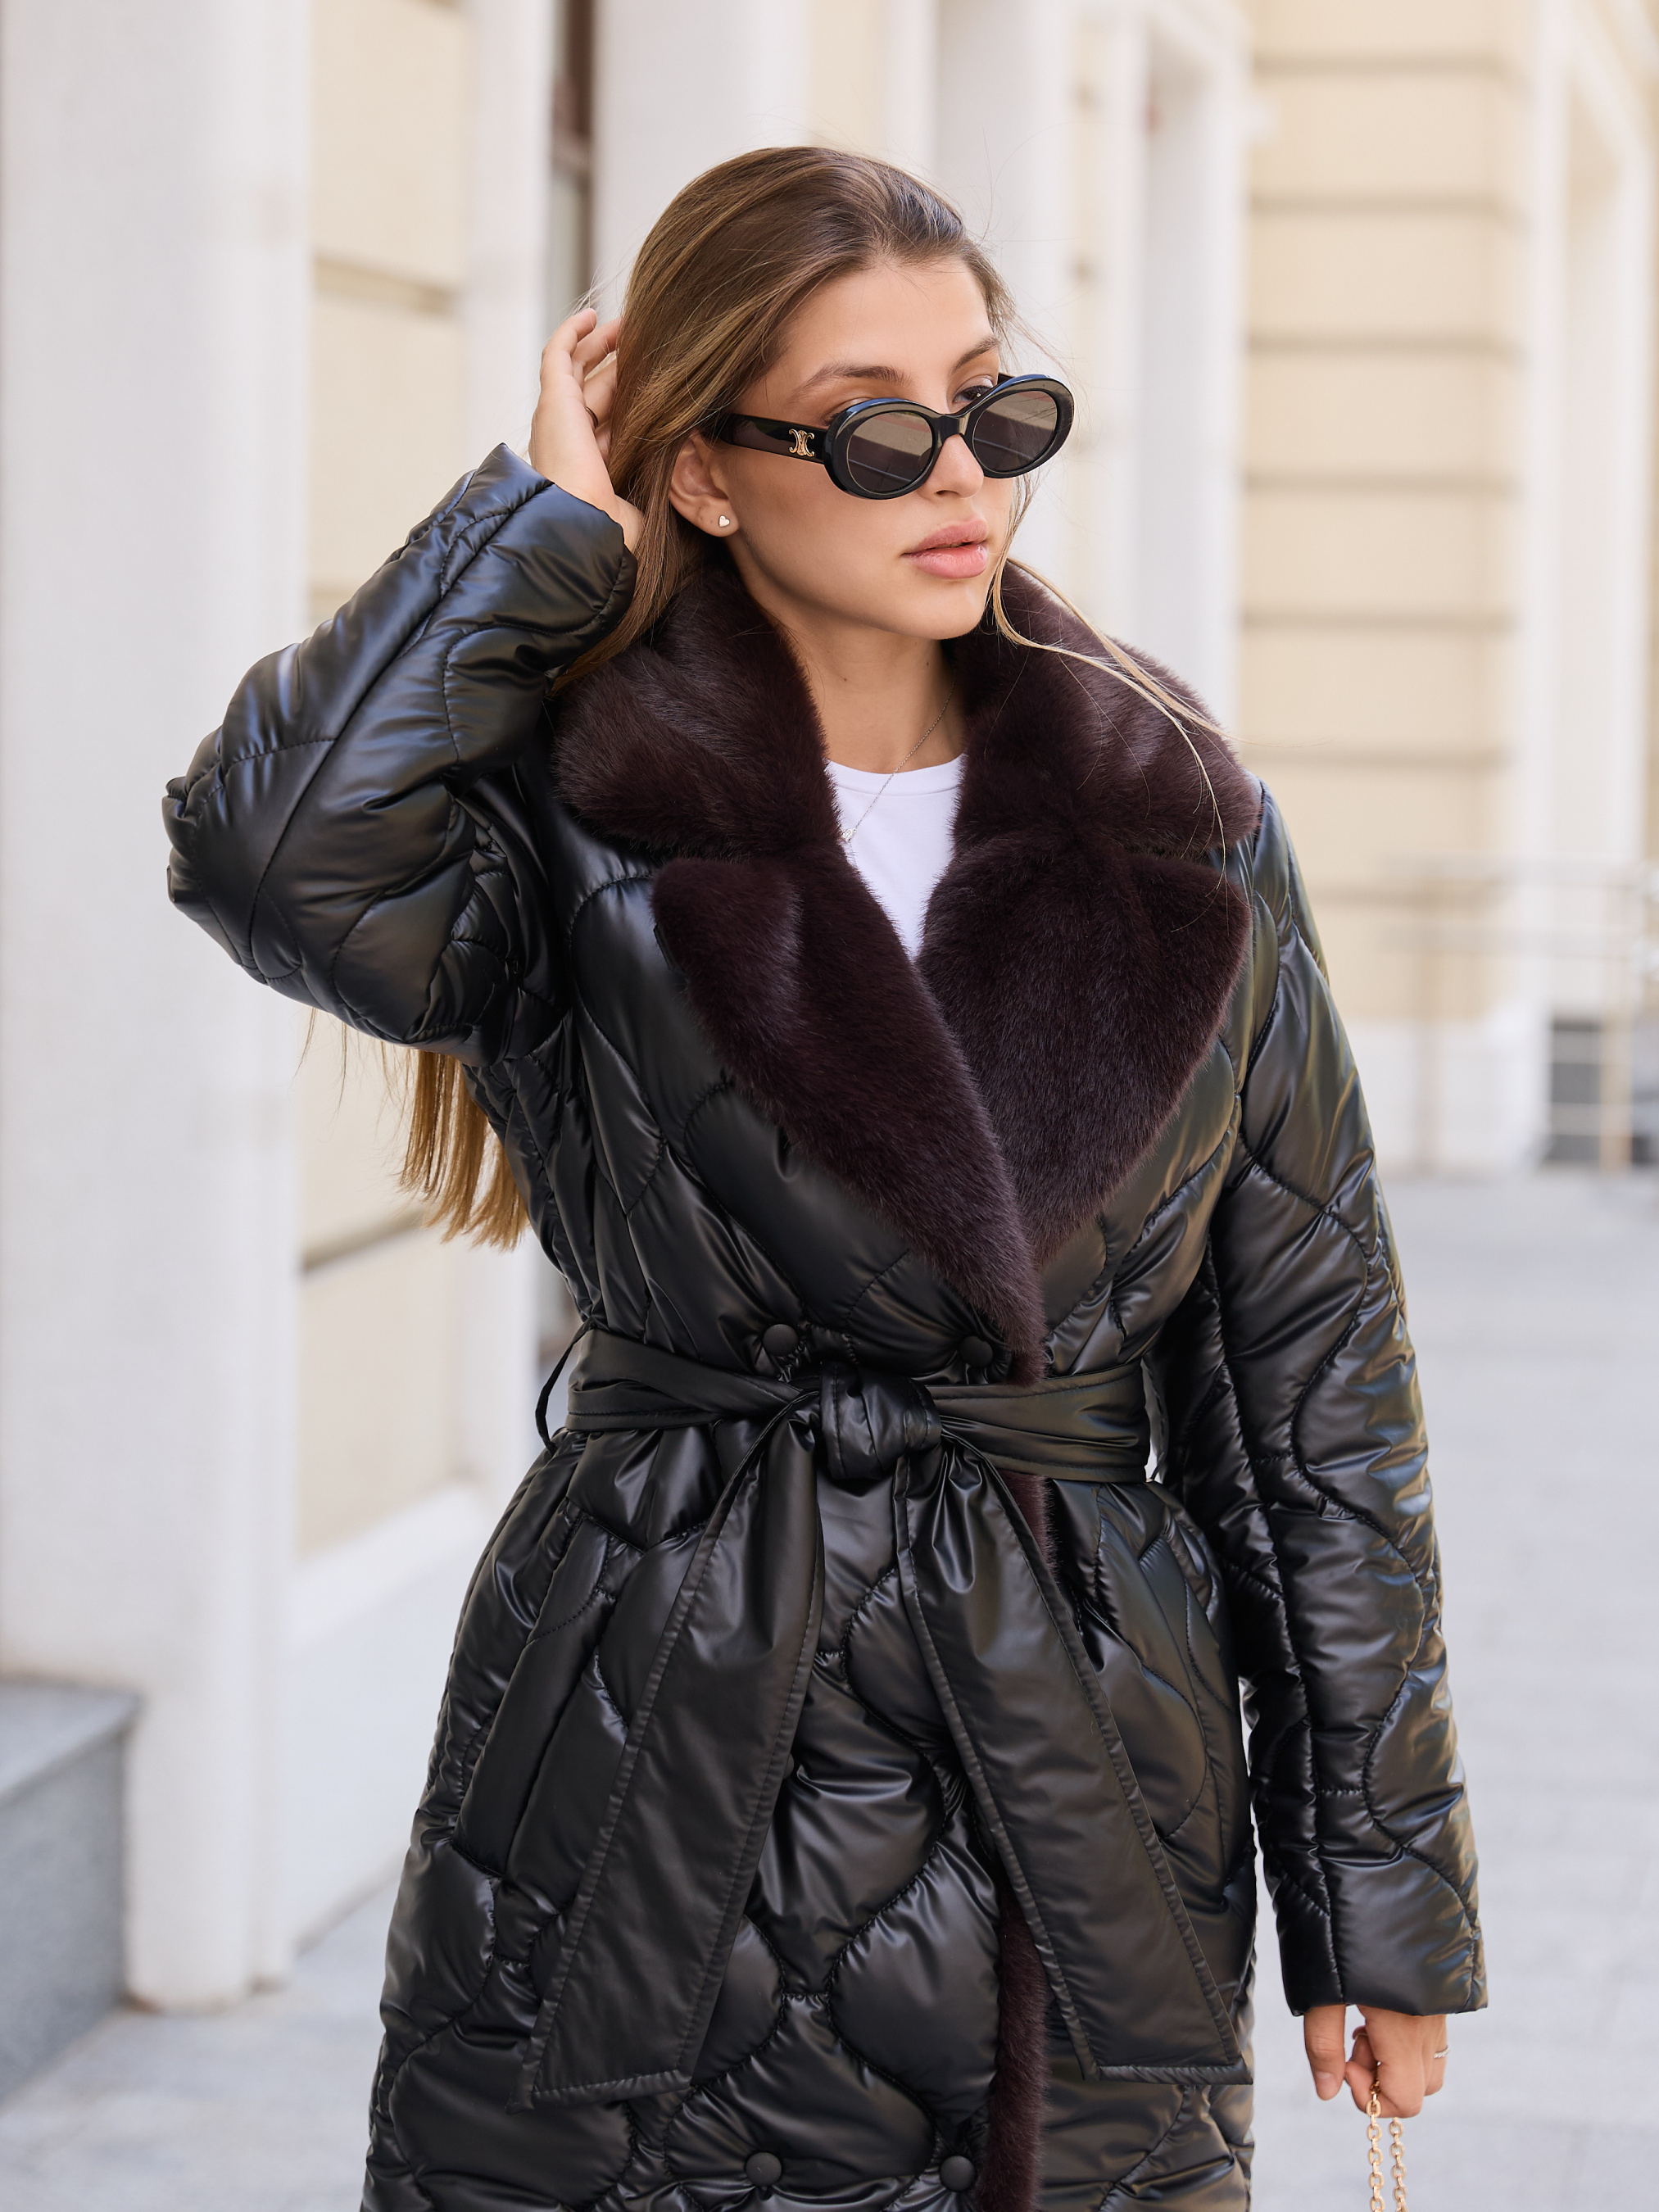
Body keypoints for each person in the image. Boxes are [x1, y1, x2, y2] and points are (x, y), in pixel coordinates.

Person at [165, 147, 1481, 2212]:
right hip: (655, 1748)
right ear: (703, 472)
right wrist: (530, 535)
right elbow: (272, 857)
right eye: (870, 428)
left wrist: (1374, 1892)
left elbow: (1312, 1388)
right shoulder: (573, 808)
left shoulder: (1180, 814)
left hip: (1080, 1774)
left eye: (992, 406)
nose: (957, 473)